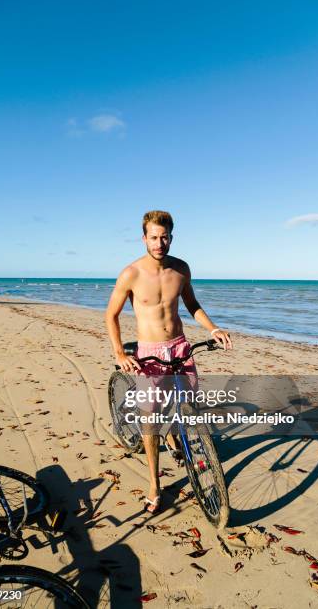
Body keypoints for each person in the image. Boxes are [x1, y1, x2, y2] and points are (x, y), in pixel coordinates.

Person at [106, 210, 232, 513]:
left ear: (171, 237)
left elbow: (192, 305)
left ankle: (177, 439)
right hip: (149, 353)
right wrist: (120, 354)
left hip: (179, 347)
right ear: (144, 238)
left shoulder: (181, 269)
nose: (159, 243)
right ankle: (154, 484)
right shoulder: (131, 273)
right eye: (153, 237)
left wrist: (212, 328)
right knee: (150, 421)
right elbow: (110, 315)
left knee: (187, 405)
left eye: (164, 237)